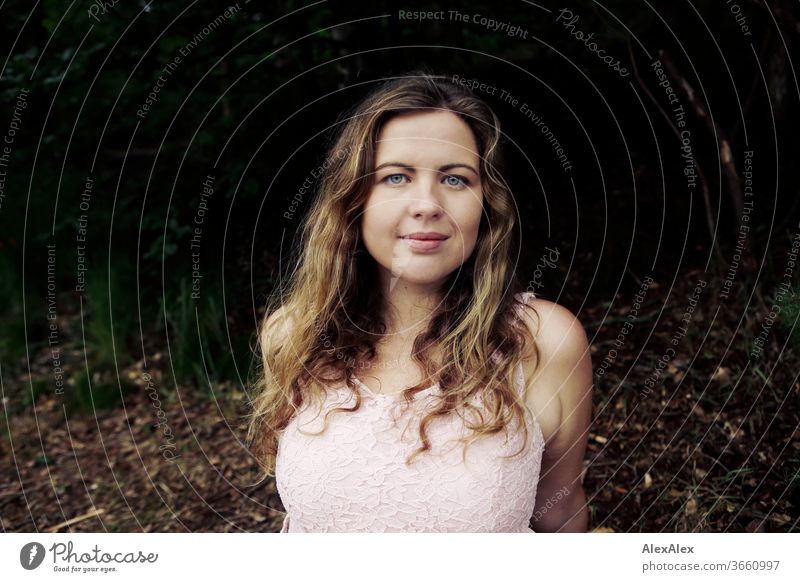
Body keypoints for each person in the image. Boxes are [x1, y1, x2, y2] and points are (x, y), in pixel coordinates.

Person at [246, 72, 593, 533]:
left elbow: (561, 511)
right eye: (396, 176)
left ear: (484, 205)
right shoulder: (294, 336)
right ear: (354, 200)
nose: (427, 204)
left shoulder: (543, 341)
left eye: (454, 178)